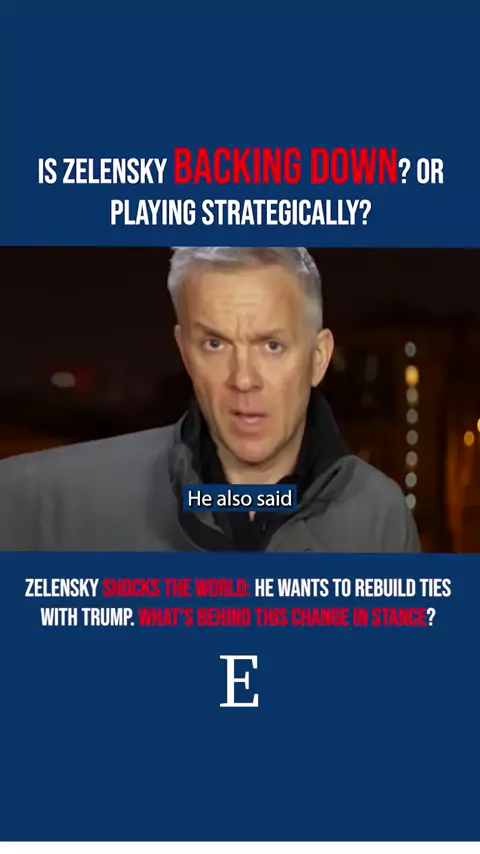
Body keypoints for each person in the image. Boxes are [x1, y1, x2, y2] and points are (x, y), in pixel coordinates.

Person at [0, 247, 420, 552]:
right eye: (215, 344)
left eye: (271, 346)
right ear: (185, 352)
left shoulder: (378, 516)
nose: (243, 379)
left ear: (318, 358)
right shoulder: (57, 503)